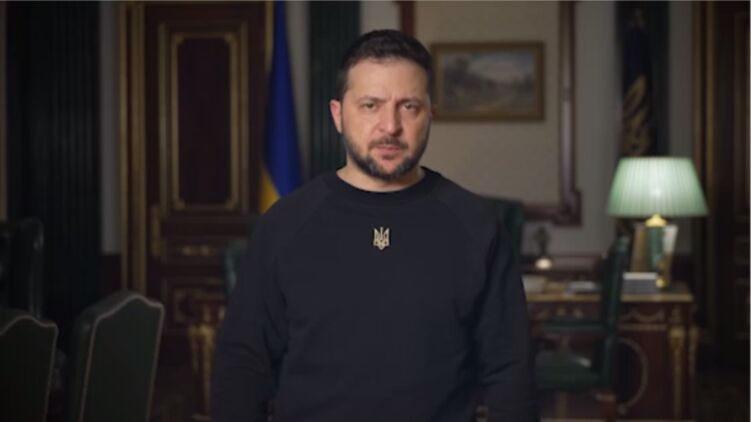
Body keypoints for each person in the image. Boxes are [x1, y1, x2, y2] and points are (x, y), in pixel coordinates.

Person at [212, 29, 537, 422]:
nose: (390, 126)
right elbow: (242, 366)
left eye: (408, 107)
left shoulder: (477, 225)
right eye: (370, 105)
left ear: (430, 114)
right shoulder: (284, 224)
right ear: (338, 115)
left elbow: (511, 373)